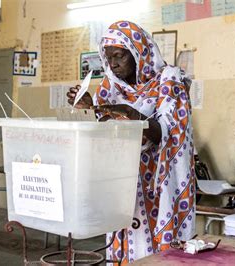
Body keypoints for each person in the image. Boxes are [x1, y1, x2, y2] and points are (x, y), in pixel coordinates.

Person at [67, 20, 195, 264]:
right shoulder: (109, 87)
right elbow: (102, 135)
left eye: (119, 56)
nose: (112, 63)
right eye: (108, 57)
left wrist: (130, 113)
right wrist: (88, 108)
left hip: (160, 186)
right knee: (125, 247)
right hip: (125, 188)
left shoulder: (169, 81)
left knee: (160, 255)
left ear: (139, 52)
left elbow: (170, 134)